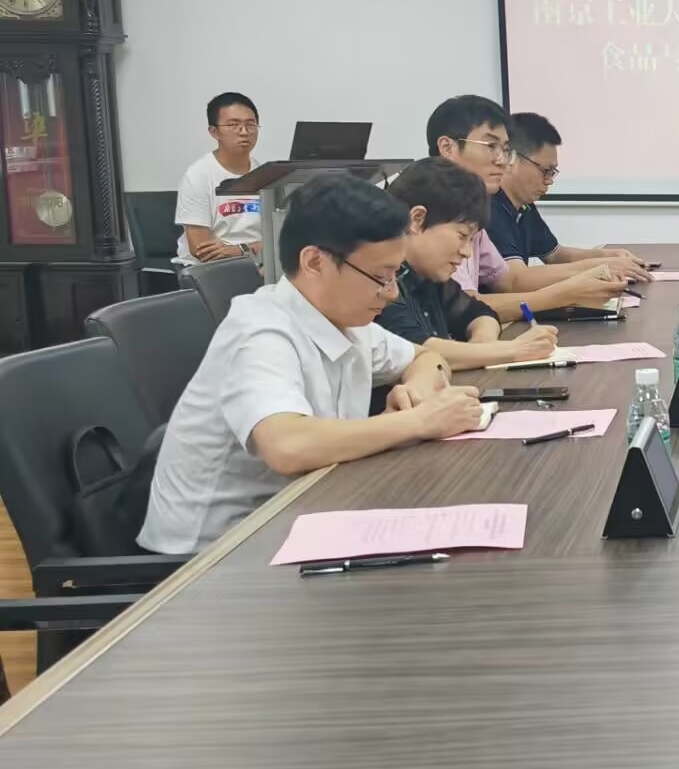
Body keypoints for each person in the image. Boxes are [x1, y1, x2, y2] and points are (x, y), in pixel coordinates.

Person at [138, 174, 485, 557]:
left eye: (394, 276)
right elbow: (288, 446)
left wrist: (417, 391)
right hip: (211, 557)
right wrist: (419, 421)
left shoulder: (347, 320)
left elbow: (427, 357)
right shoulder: (260, 331)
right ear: (315, 261)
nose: (391, 294)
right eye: (380, 277)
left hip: (300, 516)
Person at [424, 95, 628, 322]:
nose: (502, 161)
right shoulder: (429, 208)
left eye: (505, 149)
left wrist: (592, 272)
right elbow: (464, 307)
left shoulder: (472, 210)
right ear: (447, 147)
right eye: (491, 146)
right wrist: (566, 293)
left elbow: (508, 281)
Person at [382, 158, 561, 370]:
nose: (467, 252)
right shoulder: (380, 280)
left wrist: (483, 345)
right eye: (462, 236)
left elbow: (480, 313)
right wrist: (513, 350)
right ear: (417, 220)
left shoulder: (427, 275)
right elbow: (413, 350)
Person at [493, 112, 650, 280]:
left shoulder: (524, 206)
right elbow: (516, 279)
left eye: (553, 172)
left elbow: (555, 256)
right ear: (510, 158)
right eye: (545, 170)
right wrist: (600, 267)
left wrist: (609, 256)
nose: (549, 181)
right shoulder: (489, 207)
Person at [174, 91, 262, 265]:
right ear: (214, 132)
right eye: (233, 125)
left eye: (250, 124)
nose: (244, 131)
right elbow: (202, 251)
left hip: (258, 262)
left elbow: (277, 239)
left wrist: (240, 249)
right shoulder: (198, 176)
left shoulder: (263, 172)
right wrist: (256, 248)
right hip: (212, 269)